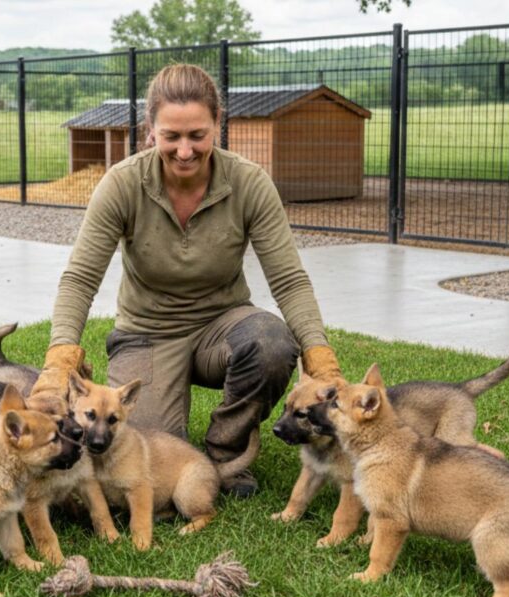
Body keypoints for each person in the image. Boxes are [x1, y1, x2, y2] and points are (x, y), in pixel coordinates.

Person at [31, 64, 342, 497]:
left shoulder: (249, 183)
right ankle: (177, 431)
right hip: (147, 333)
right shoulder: (121, 184)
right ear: (150, 131)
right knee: (139, 452)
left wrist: (320, 359)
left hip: (222, 327)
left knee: (272, 342)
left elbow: (288, 278)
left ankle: (224, 452)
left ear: (218, 124)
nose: (183, 150)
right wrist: (60, 357)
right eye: (171, 136)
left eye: (197, 135)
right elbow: (81, 278)